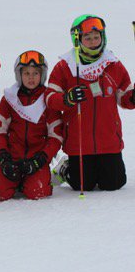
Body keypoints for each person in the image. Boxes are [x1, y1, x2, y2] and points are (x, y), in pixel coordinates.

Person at [46, 15, 135, 192]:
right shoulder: (65, 66)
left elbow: (124, 97)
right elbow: (50, 98)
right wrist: (67, 99)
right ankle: (65, 167)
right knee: (82, 185)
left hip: (108, 139)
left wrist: (132, 97)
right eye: (87, 38)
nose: (93, 42)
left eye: (96, 37)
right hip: (79, 141)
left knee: (114, 183)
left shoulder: (113, 64)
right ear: (78, 40)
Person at [0, 51, 63, 201]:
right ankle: (18, 181)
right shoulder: (10, 98)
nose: (31, 77)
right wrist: (3, 157)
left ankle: (53, 175)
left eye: (36, 73)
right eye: (26, 73)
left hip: (36, 159)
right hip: (12, 158)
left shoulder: (48, 98)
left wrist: (41, 159)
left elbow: (56, 136)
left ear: (42, 75)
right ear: (19, 75)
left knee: (36, 193)